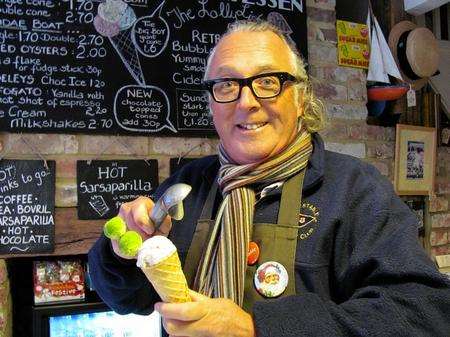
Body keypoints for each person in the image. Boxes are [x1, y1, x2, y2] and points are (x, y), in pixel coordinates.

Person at [88, 20, 450, 337]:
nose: (246, 101)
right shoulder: (187, 185)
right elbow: (125, 298)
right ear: (212, 105)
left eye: (267, 81)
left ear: (299, 97)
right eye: (227, 84)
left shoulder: (355, 190)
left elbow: (424, 314)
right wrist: (120, 255)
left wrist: (256, 328)